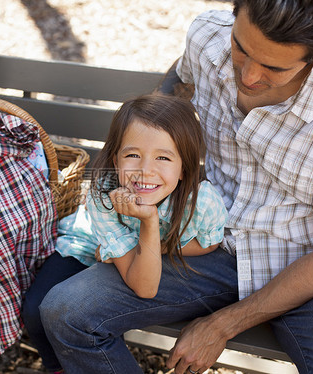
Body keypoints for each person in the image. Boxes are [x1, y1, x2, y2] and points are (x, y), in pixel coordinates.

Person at [39, 1, 313, 373]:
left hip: (309, 268)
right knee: (65, 312)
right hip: (203, 240)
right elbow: (171, 90)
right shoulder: (207, 36)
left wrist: (221, 325)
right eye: (240, 48)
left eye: (274, 68)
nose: (247, 76)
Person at [21, 94, 228, 373]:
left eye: (163, 157)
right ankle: (60, 368)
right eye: (132, 155)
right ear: (116, 160)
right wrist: (134, 249)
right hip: (90, 240)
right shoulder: (105, 195)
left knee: (84, 313)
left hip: (132, 251)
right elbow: (132, 271)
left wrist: (151, 233)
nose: (145, 171)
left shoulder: (201, 202)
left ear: (184, 168)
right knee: (35, 308)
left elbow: (206, 246)